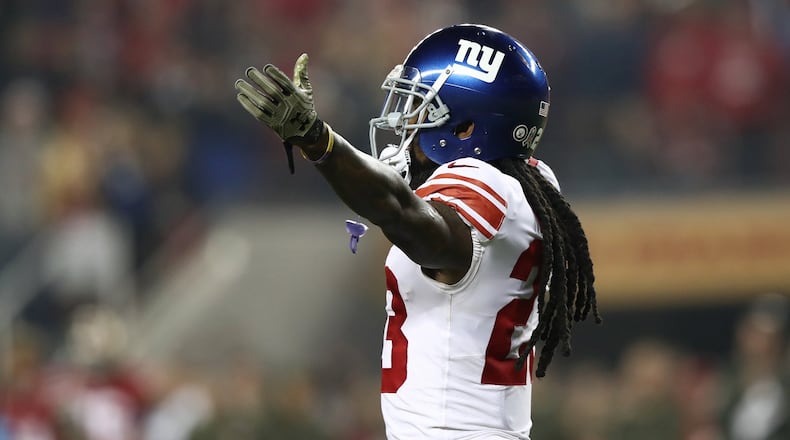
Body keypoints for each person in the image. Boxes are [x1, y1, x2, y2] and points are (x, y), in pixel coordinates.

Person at [235, 23, 600, 439]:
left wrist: (320, 142)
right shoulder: (526, 188)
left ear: (465, 129)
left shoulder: (483, 183)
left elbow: (409, 218)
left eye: (421, 108)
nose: (404, 122)